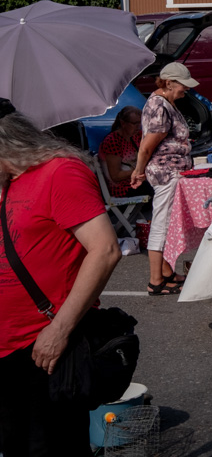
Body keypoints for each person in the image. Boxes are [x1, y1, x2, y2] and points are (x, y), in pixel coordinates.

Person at [0, 99, 121, 457]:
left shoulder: (59, 172)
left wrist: (59, 330)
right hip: (6, 347)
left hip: (46, 346)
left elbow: (105, 250)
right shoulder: (9, 181)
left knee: (53, 448)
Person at [131, 62, 197, 296]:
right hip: (166, 172)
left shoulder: (163, 102)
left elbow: (146, 145)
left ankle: (167, 273)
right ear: (168, 83)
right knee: (161, 224)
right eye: (182, 85)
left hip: (167, 170)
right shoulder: (160, 105)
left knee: (166, 223)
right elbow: (147, 147)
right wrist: (138, 171)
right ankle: (155, 279)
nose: (185, 90)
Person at [98, 105, 143, 198]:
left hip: (137, 181)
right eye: (135, 123)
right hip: (123, 188)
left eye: (140, 123)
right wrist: (141, 171)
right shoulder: (113, 141)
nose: (138, 127)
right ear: (123, 123)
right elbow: (115, 176)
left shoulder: (137, 136)